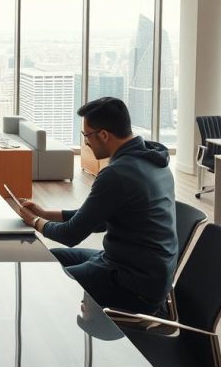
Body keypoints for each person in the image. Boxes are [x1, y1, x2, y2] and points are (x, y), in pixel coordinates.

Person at [16, 97, 177, 315]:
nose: (86, 142)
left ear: (103, 135)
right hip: (142, 271)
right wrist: (46, 214)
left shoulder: (118, 173)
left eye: (86, 135)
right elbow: (98, 219)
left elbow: (71, 235)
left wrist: (35, 221)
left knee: (48, 280)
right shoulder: (153, 159)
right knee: (51, 257)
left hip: (132, 284)